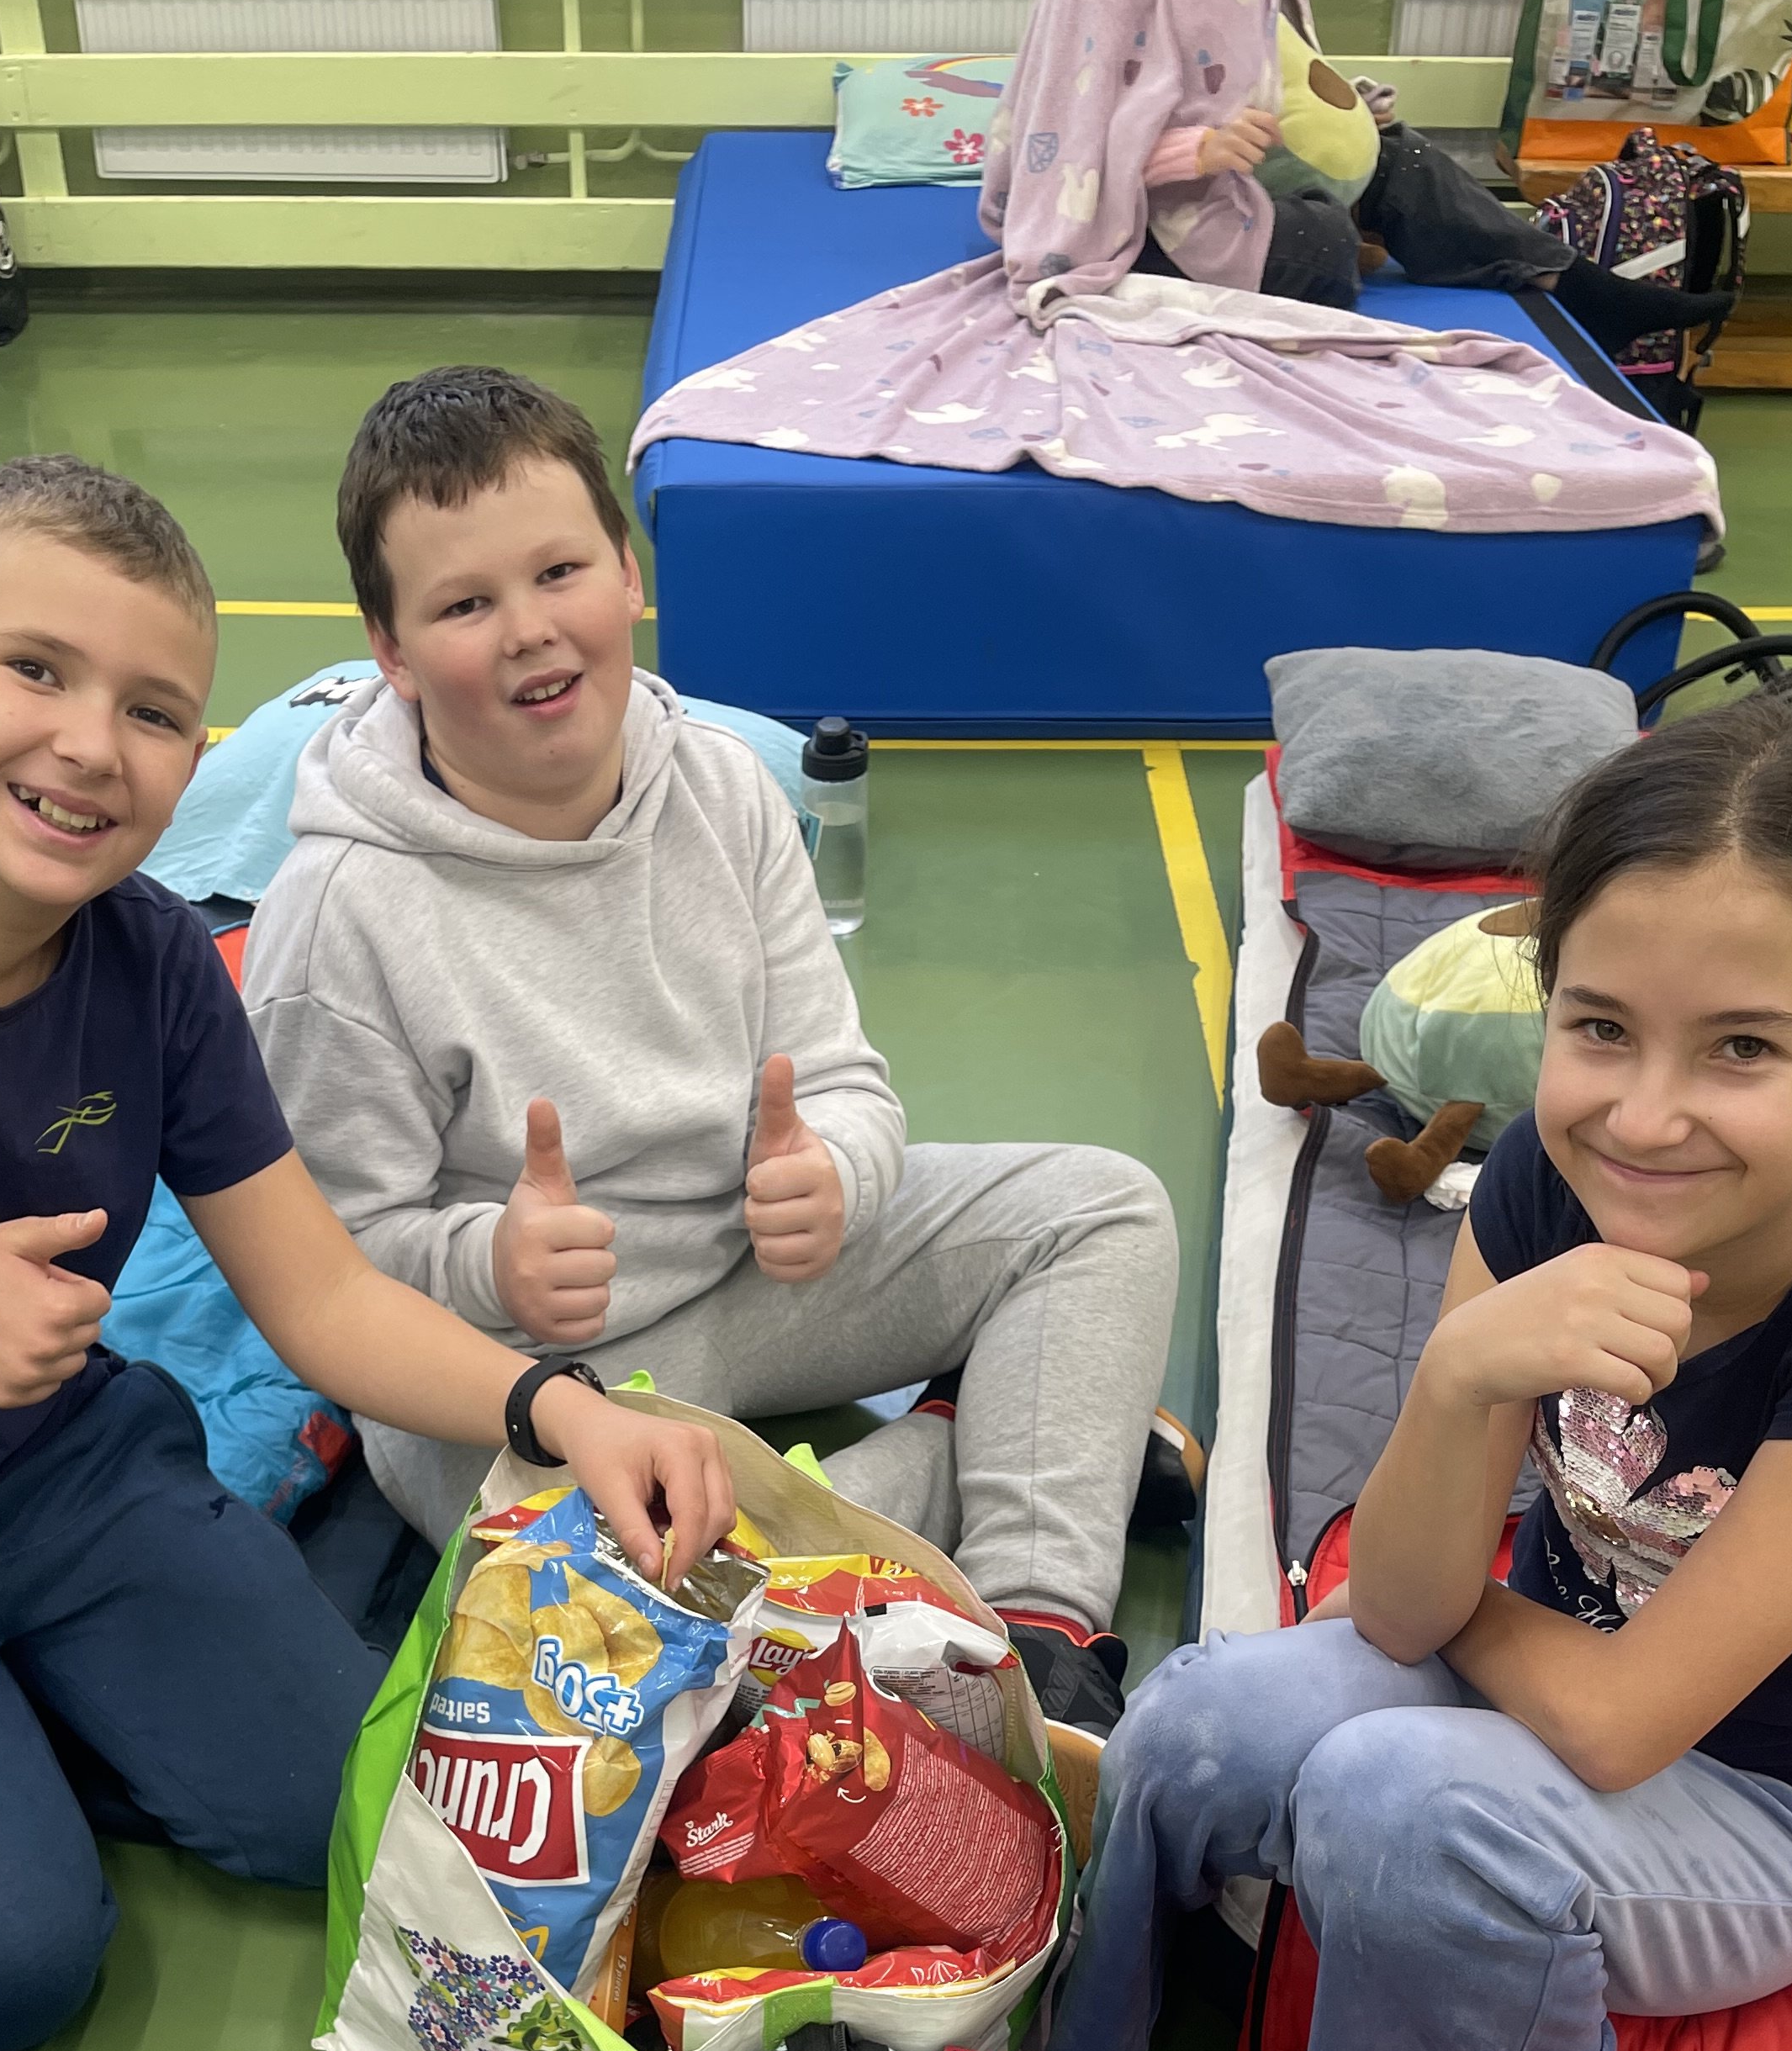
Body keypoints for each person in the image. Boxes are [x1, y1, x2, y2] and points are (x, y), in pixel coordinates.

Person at [0, 454, 732, 2051]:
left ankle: (9, 1726)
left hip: (68, 1482)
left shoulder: (155, 960)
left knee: (360, 1815)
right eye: (36, 670)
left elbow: (320, 1296)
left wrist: (562, 1409)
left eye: (156, 712)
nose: (92, 745)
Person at [1035, 695, 1792, 2051]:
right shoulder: (1544, 1193)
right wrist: (1461, 1376)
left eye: (1742, 1049)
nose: (1646, 1117)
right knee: (1197, 1715)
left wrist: (1440, 1620)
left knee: (1391, 1798)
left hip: (1773, 1817)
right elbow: (1402, 1602)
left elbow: (1620, 1721)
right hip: (1532, 1686)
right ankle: (1089, 2030)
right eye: (1602, 1030)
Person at [241, 364, 1179, 1740]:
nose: (529, 629)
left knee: (1101, 1210)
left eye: (559, 571)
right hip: (523, 1389)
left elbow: (844, 1082)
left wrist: (835, 1173)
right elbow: (332, 1266)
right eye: (463, 605)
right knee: (615, 1622)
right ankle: (989, 1446)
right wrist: (489, 1259)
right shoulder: (338, 918)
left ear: (629, 574)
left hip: (748, 1279)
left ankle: (1042, 1633)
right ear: (389, 650)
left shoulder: (727, 789)